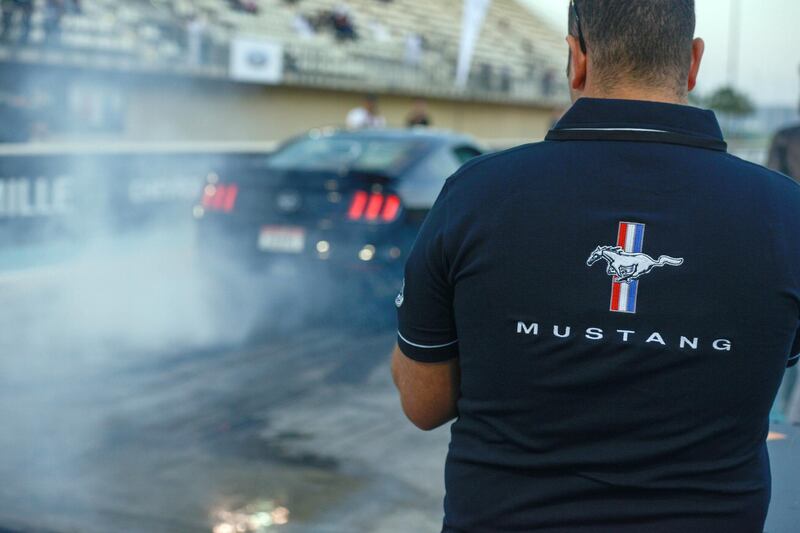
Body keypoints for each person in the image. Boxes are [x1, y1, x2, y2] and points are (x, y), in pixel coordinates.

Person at [391, 1, 800, 532]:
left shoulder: (477, 192)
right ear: (694, 62)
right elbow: (770, 364)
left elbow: (424, 403)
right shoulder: (786, 214)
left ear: (576, 57)